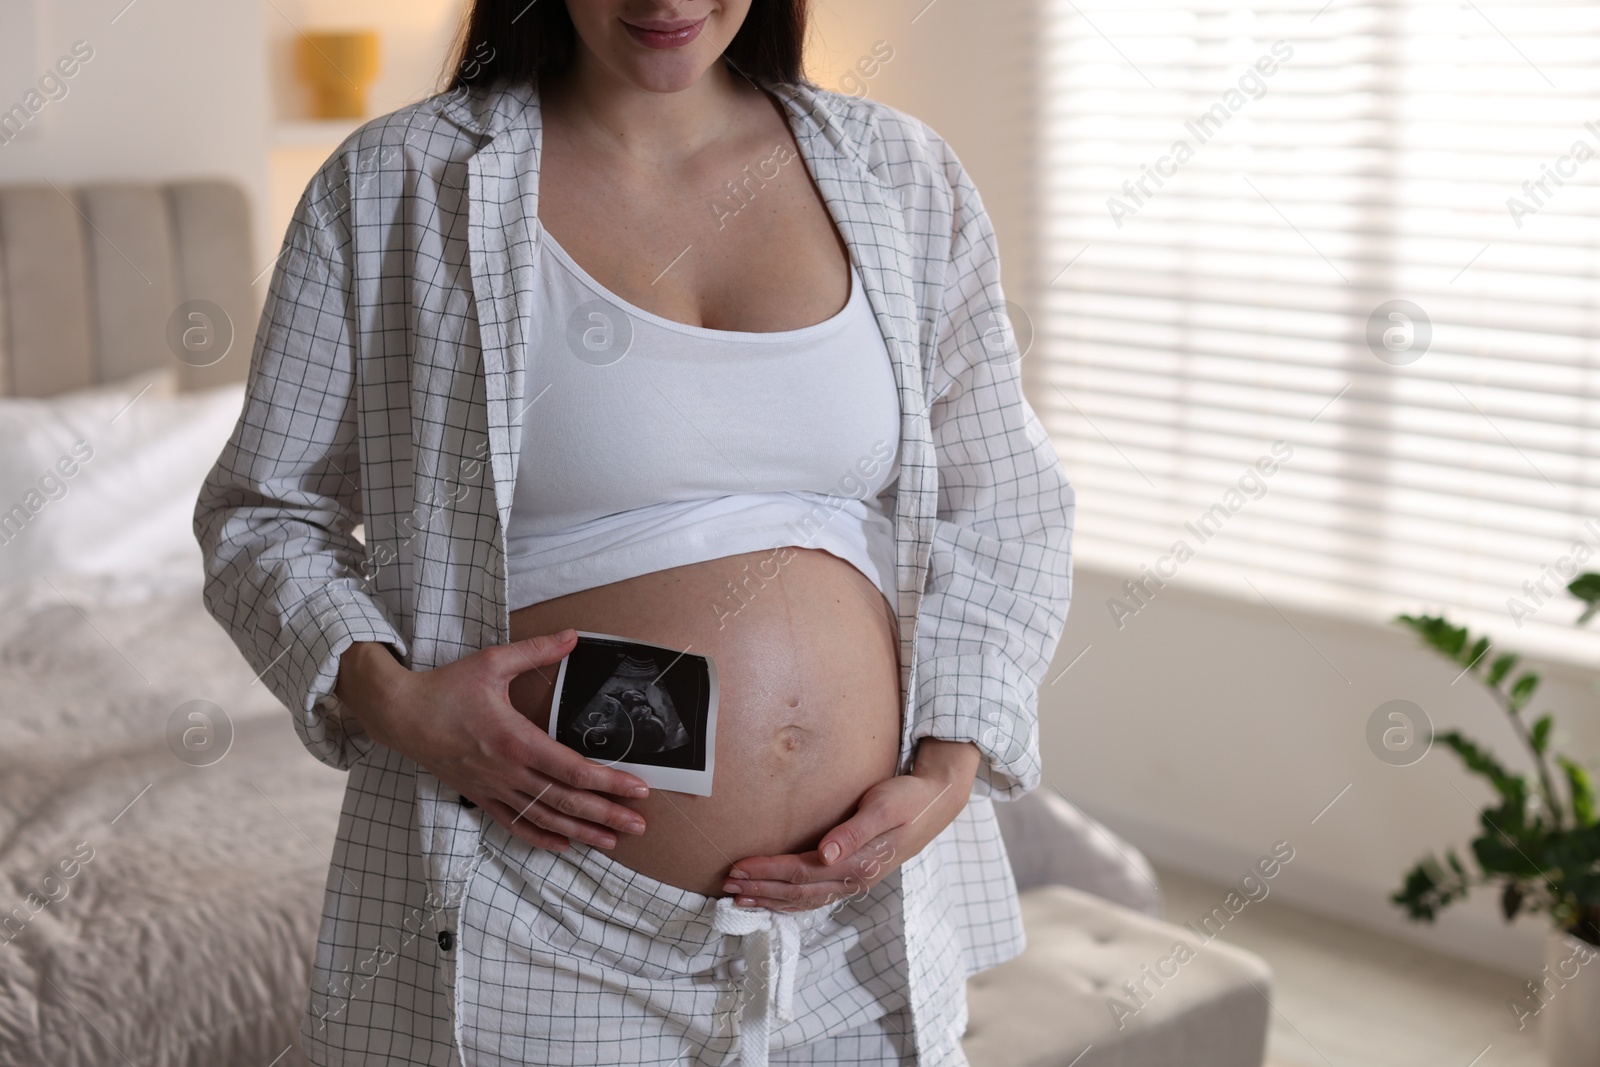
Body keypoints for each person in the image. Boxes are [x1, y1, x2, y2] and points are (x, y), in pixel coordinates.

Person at [195, 1, 1075, 1065]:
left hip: (855, 925)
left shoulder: (901, 174)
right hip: (536, 913)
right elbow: (265, 509)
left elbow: (1005, 502)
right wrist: (403, 704)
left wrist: (946, 769)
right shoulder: (395, 180)